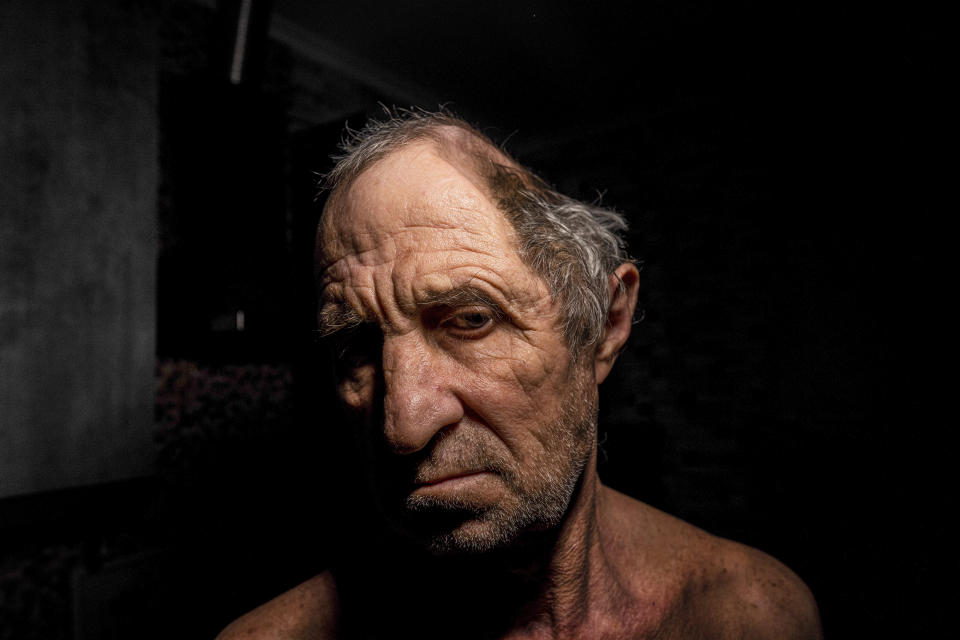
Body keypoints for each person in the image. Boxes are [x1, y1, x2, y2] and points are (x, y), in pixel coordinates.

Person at [218, 110, 822, 639]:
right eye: (357, 349)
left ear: (604, 327)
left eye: (472, 320)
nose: (402, 425)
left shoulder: (746, 615)